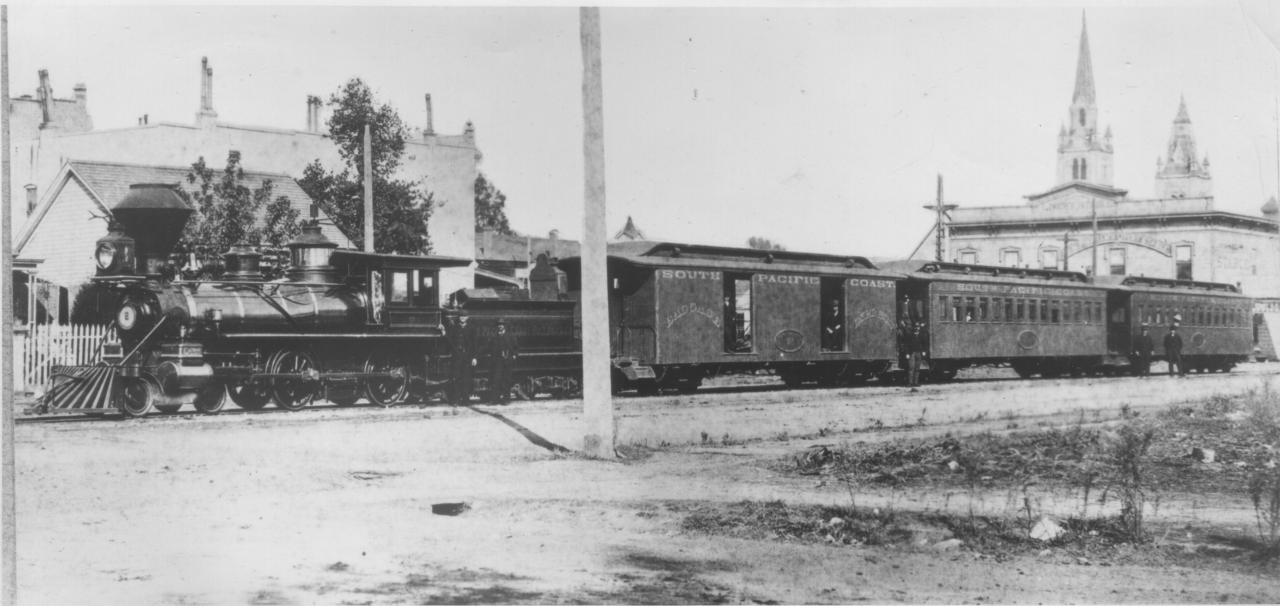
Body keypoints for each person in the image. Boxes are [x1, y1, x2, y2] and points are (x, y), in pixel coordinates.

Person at [446, 310, 478, 404]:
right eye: (461, 316)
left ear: (467, 318)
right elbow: (450, 340)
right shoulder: (455, 328)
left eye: (464, 316)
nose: (462, 318)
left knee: (466, 378)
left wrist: (474, 357)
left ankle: (465, 400)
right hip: (457, 356)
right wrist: (444, 332)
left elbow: (475, 344)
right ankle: (455, 399)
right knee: (456, 378)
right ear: (459, 318)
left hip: (467, 356)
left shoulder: (472, 328)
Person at [486, 318, 519, 404]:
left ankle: (506, 399)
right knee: (496, 380)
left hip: (507, 360)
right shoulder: (494, 336)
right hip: (497, 360)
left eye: (502, 325)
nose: (500, 326)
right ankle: (494, 400)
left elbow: (515, 347)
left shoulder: (510, 335)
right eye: (499, 325)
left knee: (506, 380)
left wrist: (514, 355)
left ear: (504, 326)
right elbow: (489, 347)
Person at [906, 321, 925, 387]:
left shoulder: (921, 335)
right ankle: (910, 383)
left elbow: (923, 344)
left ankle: (916, 383)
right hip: (912, 353)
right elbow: (907, 345)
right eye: (916, 327)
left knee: (917, 368)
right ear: (914, 328)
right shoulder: (910, 335)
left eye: (918, 327)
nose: (917, 328)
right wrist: (907, 353)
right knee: (911, 368)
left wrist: (923, 351)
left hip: (919, 353)